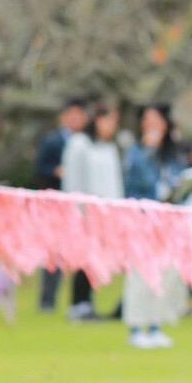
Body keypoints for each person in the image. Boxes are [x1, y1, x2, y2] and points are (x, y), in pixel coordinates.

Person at [122, 103, 192, 348]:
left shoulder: (173, 155)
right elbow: (138, 181)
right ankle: (136, 326)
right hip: (142, 218)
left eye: (156, 120)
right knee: (140, 273)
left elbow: (179, 182)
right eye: (147, 120)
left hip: (168, 220)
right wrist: (149, 151)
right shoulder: (136, 152)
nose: (152, 125)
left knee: (165, 272)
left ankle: (155, 325)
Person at [61, 103, 124, 321]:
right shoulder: (80, 144)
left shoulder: (108, 148)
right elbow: (74, 179)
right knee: (83, 259)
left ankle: (88, 301)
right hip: (85, 212)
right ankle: (79, 304)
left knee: (97, 260)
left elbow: (114, 183)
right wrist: (78, 210)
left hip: (107, 214)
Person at [33, 97, 89, 312]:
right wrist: (56, 172)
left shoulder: (87, 142)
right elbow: (40, 169)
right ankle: (47, 300)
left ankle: (80, 300)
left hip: (80, 206)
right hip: (56, 204)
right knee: (53, 253)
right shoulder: (52, 141)